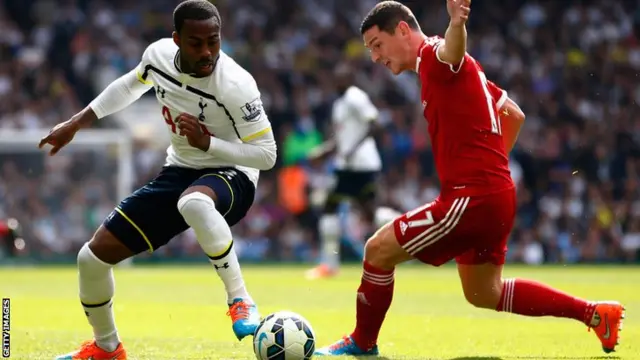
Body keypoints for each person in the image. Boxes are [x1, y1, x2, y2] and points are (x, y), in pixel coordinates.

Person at [315, 0, 624, 356]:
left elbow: (451, 51)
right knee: (483, 293)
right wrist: (491, 169)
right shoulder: (466, 73)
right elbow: (513, 114)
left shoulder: (434, 56)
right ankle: (595, 314)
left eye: (376, 45)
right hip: (496, 194)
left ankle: (361, 343)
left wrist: (456, 23)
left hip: (472, 196)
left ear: (402, 30)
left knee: (377, 250)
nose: (374, 57)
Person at [39, 1, 275, 359]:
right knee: (91, 259)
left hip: (234, 173)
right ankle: (107, 348)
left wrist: (208, 142)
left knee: (194, 202)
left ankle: (239, 299)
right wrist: (76, 122)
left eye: (214, 40)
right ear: (176, 39)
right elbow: (131, 85)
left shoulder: (237, 84)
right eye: (196, 43)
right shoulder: (158, 57)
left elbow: (267, 154)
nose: (208, 51)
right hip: (179, 170)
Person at [306, 63, 401, 280]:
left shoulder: (354, 96)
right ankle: (411, 231)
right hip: (352, 165)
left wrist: (352, 149)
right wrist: (325, 151)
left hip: (358, 165)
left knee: (331, 207)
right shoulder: (340, 103)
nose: (336, 82)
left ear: (349, 79)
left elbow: (375, 124)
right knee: (369, 212)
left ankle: (329, 265)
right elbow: (343, 140)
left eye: (341, 78)